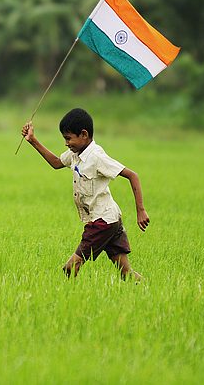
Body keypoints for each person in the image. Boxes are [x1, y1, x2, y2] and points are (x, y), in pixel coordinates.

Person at [21, 107, 149, 281]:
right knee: (126, 273)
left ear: (84, 134)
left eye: (68, 138)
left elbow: (132, 175)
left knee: (70, 267)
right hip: (110, 220)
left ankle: (68, 301)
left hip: (102, 222)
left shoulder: (96, 157)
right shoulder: (76, 153)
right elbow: (57, 163)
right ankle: (146, 290)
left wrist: (140, 210)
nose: (66, 143)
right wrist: (33, 141)